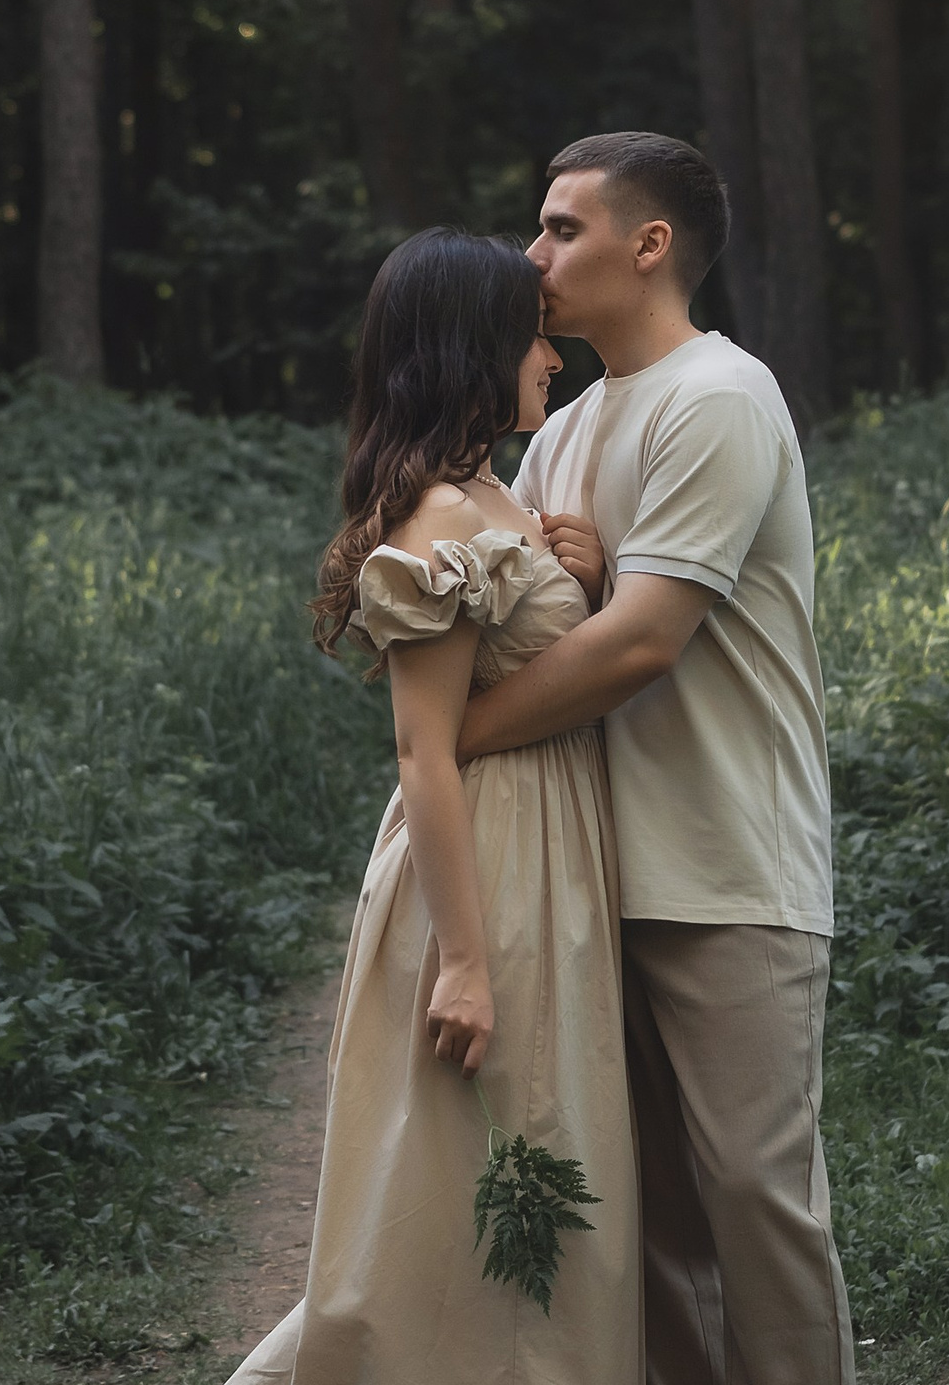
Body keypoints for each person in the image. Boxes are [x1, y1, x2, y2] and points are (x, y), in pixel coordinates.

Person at [457, 133, 853, 1385]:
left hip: (726, 861)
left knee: (754, 1196)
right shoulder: (561, 430)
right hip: (581, 868)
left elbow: (638, 645)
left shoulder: (721, 397)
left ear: (651, 245)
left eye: (562, 230)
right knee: (649, 1221)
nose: (532, 257)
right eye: (536, 228)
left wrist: (443, 739)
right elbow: (535, 624)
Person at [231, 226, 641, 1385]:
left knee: (540, 1160)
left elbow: (534, 668)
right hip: (485, 866)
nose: (551, 357)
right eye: (530, 335)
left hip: (549, 852)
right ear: (473, 348)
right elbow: (423, 753)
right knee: (453, 1183)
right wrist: (463, 958)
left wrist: (585, 574)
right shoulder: (437, 527)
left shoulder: (493, 496)